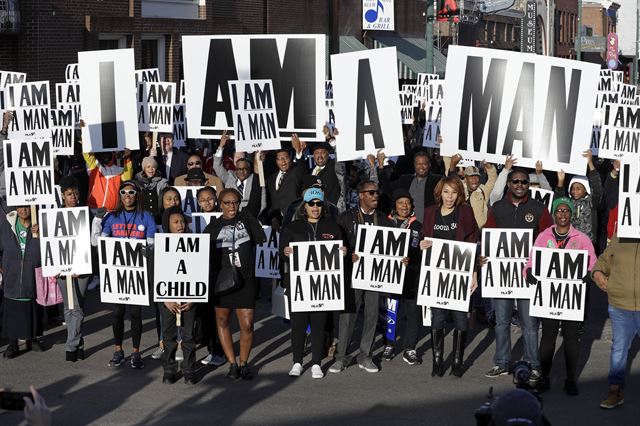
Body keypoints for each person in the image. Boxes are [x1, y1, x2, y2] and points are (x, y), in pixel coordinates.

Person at [483, 168, 553, 384]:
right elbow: (488, 235)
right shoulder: (497, 208)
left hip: (528, 276)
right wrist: (483, 257)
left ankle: (533, 366)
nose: (520, 185)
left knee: (529, 324)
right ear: (509, 184)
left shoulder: (539, 209)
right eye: (516, 181)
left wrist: (539, 263)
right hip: (502, 275)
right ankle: (502, 363)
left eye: (524, 181)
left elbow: (548, 240)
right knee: (502, 322)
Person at [524, 197, 597, 395]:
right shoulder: (543, 236)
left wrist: (589, 274)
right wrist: (529, 271)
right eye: (559, 211)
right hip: (548, 297)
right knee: (547, 337)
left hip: (570, 298)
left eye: (566, 211)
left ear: (571, 214)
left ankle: (570, 379)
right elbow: (531, 260)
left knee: (571, 338)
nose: (563, 214)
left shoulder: (581, 239)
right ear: (554, 214)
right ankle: (544, 377)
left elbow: (592, 262)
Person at [330, 180, 396, 374]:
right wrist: (348, 254)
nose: (376, 196)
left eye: (377, 192)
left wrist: (401, 259)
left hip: (375, 276)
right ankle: (341, 357)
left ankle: (365, 356)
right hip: (353, 275)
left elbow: (391, 249)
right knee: (348, 317)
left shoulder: (384, 219)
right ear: (360, 195)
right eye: (371, 193)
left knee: (372, 315)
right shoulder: (345, 218)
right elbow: (336, 246)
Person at [280, 187, 345, 379]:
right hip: (298, 286)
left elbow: (342, 254)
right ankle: (297, 362)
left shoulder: (333, 227)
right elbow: (281, 254)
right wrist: (285, 253)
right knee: (298, 325)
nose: (315, 207)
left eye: (318, 204)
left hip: (322, 287)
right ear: (305, 206)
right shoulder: (293, 228)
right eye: (311, 204)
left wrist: (344, 252)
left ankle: (316, 362)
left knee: (319, 324)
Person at [204, 188, 266, 380]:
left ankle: (244, 362)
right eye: (227, 203)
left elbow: (261, 239)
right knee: (222, 322)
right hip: (221, 282)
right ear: (220, 204)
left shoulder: (247, 221)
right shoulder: (212, 228)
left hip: (246, 280)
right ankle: (232, 363)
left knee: (246, 325)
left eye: (235, 202)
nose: (232, 206)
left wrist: (249, 217)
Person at [420, 176, 479, 377]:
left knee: (461, 318)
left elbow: (473, 242)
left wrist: (474, 273)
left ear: (459, 194)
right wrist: (422, 244)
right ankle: (437, 361)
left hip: (460, 274)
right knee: (437, 317)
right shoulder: (430, 213)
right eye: (446, 192)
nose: (450, 197)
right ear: (440, 192)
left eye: (454, 192)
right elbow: (423, 238)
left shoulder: (465, 212)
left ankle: (457, 361)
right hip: (436, 274)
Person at [98, 180, 156, 369]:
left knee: (135, 314)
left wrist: (143, 247)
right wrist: (97, 223)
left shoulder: (145, 216)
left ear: (137, 195)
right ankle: (118, 350)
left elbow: (152, 242)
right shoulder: (112, 216)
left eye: (131, 192)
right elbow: (100, 241)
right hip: (117, 273)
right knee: (117, 313)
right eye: (123, 192)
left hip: (137, 272)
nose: (127, 196)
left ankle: (136, 352)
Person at [592, 235, 640, 409]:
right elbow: (603, 261)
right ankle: (615, 391)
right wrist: (597, 273)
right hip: (620, 304)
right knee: (619, 348)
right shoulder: (621, 237)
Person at [381, 188, 423, 365]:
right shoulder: (386, 224)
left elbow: (423, 253)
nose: (404, 206)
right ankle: (389, 344)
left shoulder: (418, 226)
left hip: (412, 278)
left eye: (407, 203)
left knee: (413, 314)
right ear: (395, 206)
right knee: (390, 312)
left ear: (411, 205)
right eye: (400, 203)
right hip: (390, 277)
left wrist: (415, 254)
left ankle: (410, 348)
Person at [159, 205, 198, 384]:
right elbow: (155, 275)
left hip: (189, 299)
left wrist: (193, 298)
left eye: (182, 221)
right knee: (168, 336)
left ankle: (189, 369)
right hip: (168, 301)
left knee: (189, 336)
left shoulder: (196, 244)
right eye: (175, 222)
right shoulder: (161, 245)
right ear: (168, 225)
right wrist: (166, 299)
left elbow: (200, 273)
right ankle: (169, 370)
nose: (180, 225)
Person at [57, 175, 93, 362]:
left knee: (77, 307)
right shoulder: (54, 215)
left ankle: (71, 345)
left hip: (82, 268)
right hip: (62, 268)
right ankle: (78, 344)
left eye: (76, 194)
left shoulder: (86, 213)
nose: (73, 197)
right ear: (63, 195)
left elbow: (91, 242)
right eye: (69, 194)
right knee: (68, 307)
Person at [0, 206, 43, 358]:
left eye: (27, 206)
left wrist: (41, 234)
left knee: (31, 308)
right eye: (20, 206)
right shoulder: (7, 225)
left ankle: (33, 338)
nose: (24, 210)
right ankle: (13, 344)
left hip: (33, 276)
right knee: (12, 309)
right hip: (12, 275)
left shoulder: (41, 225)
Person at [194, 186, 226, 367]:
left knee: (218, 316)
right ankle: (211, 348)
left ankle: (218, 351)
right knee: (204, 316)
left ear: (216, 199)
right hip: (200, 272)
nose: (206, 202)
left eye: (209, 198)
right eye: (202, 199)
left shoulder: (224, 219)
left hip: (219, 272)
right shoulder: (194, 221)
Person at [378, 151, 442, 224]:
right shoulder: (404, 179)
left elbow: (453, 185)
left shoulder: (437, 180)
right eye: (418, 164)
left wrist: (453, 167)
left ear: (429, 164)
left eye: (424, 164)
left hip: (428, 225)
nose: (421, 167)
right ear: (414, 164)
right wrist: (381, 165)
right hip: (407, 226)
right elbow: (387, 189)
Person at [555, 150, 603, 244]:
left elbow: (597, 189)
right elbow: (558, 200)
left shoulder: (591, 202)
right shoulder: (568, 202)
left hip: (587, 243)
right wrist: (560, 181)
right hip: (568, 242)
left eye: (578, 189)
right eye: (572, 188)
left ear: (585, 189)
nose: (574, 191)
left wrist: (590, 163)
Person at [214, 133, 266, 218]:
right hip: (230, 217)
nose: (241, 172)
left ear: (249, 170)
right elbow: (217, 166)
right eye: (238, 169)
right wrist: (221, 146)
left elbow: (262, 203)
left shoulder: (256, 180)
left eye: (244, 169)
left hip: (251, 217)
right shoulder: (229, 177)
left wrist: (252, 218)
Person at [292, 135, 345, 211]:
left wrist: (331, 140)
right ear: (313, 155)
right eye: (316, 153)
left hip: (330, 212)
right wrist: (298, 151)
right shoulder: (310, 171)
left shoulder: (333, 168)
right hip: (313, 212)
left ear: (328, 154)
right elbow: (301, 175)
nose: (319, 156)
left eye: (323, 152)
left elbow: (341, 156)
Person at [265, 148, 303, 222]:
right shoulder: (271, 179)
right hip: (277, 222)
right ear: (276, 161)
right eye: (279, 159)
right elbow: (271, 201)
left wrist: (298, 152)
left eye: (285, 158)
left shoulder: (296, 173)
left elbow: (301, 167)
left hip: (294, 218)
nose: (283, 161)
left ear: (290, 159)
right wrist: (273, 217)